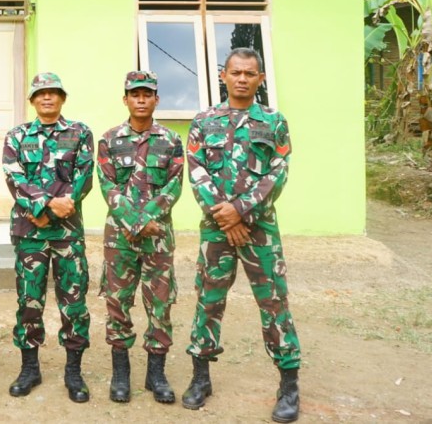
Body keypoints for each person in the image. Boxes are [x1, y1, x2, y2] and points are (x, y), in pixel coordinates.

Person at [182, 48, 301, 423]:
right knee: (209, 300)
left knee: (274, 304)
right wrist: (226, 216)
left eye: (250, 73)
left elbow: (278, 172)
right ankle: (201, 378)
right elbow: (197, 170)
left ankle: (289, 385)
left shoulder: (274, 121)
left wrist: (242, 210)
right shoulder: (204, 121)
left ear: (260, 79)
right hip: (217, 229)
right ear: (223, 75)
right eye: (236, 72)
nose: (242, 79)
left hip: (260, 230)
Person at [2, 72, 94, 403]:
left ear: (62, 98)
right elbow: (14, 178)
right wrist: (41, 205)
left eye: (53, 93)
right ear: (32, 101)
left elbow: (84, 177)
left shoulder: (80, 133)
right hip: (30, 233)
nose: (47, 98)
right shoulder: (17, 135)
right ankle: (30, 368)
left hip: (67, 234)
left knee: (74, 302)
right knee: (30, 301)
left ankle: (73, 371)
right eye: (41, 94)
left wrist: (50, 210)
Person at [96, 70, 183, 404]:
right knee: (118, 303)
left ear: (156, 99)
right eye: (135, 94)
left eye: (147, 94)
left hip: (158, 236)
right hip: (119, 238)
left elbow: (174, 186)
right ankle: (121, 374)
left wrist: (148, 219)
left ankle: (156, 374)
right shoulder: (109, 140)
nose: (141, 100)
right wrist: (134, 222)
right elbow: (108, 186)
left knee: (160, 303)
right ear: (126, 100)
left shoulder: (172, 141)